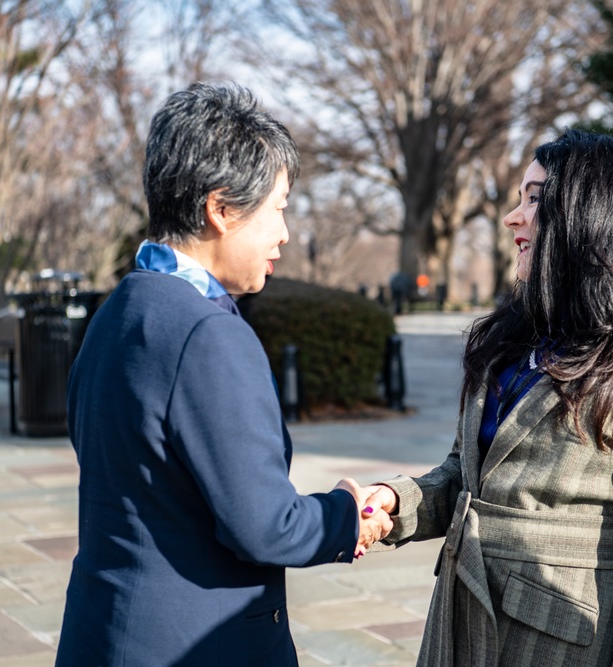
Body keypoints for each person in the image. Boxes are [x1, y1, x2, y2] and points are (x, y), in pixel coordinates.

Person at [361, 129, 613, 666]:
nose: (514, 218)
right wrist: (393, 503)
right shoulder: (513, 337)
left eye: (534, 199)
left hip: (560, 642)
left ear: (593, 215)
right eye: (518, 199)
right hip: (460, 619)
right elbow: (468, 477)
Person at [54, 83, 392, 667]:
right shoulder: (207, 334)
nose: (284, 233)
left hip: (105, 628)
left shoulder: (120, 308)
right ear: (221, 209)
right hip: (192, 642)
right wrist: (349, 514)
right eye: (278, 209)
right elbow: (265, 526)